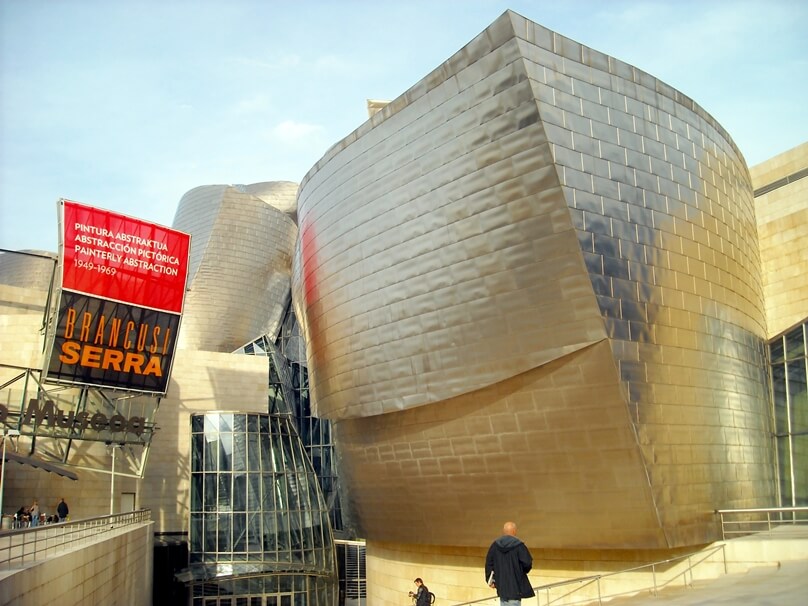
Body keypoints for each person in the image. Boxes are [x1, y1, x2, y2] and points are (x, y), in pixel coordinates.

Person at [485, 521, 535, 605]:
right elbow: (527, 563)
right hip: (515, 588)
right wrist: (521, 572)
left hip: (502, 588)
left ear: (504, 531)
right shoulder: (519, 546)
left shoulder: (495, 545)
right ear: (514, 531)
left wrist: (490, 581)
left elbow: (489, 563)